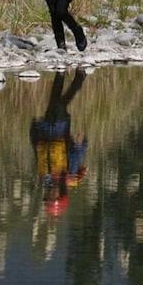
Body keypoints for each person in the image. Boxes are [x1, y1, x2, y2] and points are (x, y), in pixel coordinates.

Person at [31, 70, 88, 217]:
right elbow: (76, 155)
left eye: (48, 196)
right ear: (61, 194)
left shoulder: (45, 177)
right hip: (60, 128)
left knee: (56, 100)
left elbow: (36, 150)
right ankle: (68, 74)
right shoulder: (68, 174)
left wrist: (34, 129)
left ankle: (72, 76)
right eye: (53, 196)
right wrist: (81, 143)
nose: (51, 193)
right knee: (57, 103)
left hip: (45, 128)